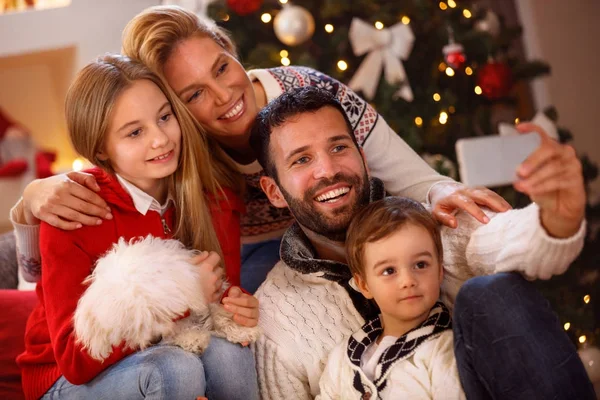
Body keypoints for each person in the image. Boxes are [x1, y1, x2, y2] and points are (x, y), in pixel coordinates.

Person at [12, 5, 510, 294]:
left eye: (221, 69)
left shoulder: (309, 92)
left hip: (348, 225)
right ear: (177, 109)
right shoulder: (178, 145)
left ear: (231, 51)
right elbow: (106, 219)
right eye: (193, 96)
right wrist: (30, 198)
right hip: (258, 260)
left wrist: (445, 192)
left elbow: (415, 178)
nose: (224, 96)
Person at [249, 86, 595, 399]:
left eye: (339, 147)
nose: (327, 170)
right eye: (302, 159)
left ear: (362, 158)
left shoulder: (433, 223)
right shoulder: (276, 317)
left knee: (490, 292)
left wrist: (558, 217)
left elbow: (508, 239)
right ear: (274, 191)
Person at [16, 54, 258, 400]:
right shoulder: (74, 209)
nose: (160, 139)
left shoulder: (213, 199)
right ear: (101, 148)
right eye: (135, 132)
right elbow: (75, 360)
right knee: (174, 369)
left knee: (229, 353)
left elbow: (220, 302)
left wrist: (239, 306)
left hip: (165, 348)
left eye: (164, 117)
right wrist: (183, 295)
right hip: (65, 380)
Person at [318, 197, 463, 399]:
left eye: (420, 265)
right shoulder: (342, 358)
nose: (407, 281)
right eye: (389, 271)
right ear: (364, 285)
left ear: (440, 271)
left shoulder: (446, 349)